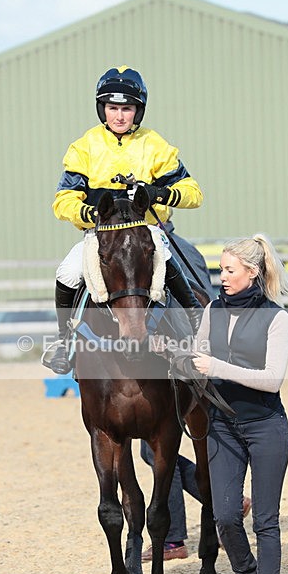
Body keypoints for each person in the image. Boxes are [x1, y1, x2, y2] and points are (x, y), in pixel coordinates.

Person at [44, 65, 205, 375]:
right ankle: (64, 340)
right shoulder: (83, 147)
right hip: (100, 234)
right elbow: (63, 200)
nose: (119, 116)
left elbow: (193, 192)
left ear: (138, 111)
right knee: (67, 271)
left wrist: (159, 193)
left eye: (126, 108)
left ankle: (195, 317)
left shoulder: (155, 145)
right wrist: (87, 213)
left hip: (144, 229)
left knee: (165, 254)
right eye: (112, 107)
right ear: (102, 108)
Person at [190, 233, 288, 574]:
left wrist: (216, 367)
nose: (222, 277)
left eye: (230, 270)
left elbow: (271, 380)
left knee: (266, 521)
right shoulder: (213, 311)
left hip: (266, 427)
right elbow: (195, 357)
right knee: (225, 516)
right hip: (223, 427)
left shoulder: (277, 318)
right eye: (221, 269)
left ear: (252, 272)